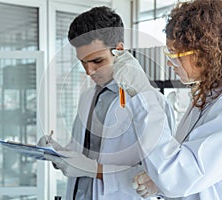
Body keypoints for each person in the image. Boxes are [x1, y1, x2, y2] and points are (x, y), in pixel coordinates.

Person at [131, 0, 222, 199]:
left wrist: (143, 95)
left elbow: (179, 176)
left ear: (206, 52)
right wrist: (159, 184)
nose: (170, 62)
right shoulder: (208, 96)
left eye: (177, 54)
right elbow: (196, 170)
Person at [37, 6, 176, 200]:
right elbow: (80, 152)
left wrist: (94, 170)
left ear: (119, 50)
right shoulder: (87, 96)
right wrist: (58, 152)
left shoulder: (152, 102)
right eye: (83, 63)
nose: (89, 71)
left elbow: (164, 175)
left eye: (97, 61)